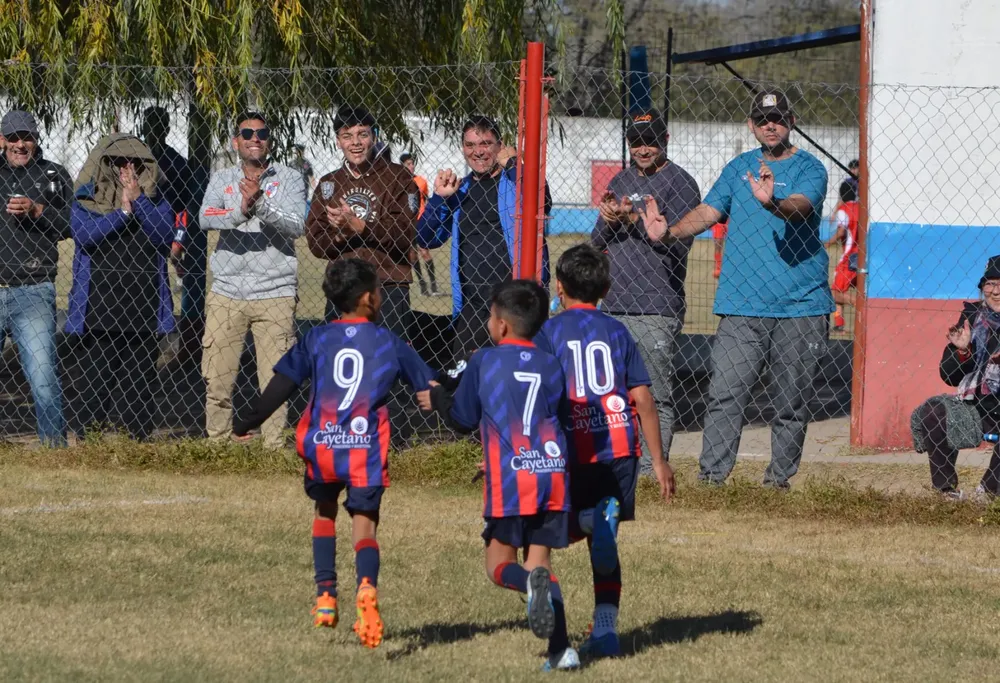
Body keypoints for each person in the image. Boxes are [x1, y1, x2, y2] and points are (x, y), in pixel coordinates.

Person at [233, 258, 435, 647]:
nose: (381, 295)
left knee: (324, 513)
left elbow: (281, 386)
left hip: (323, 445)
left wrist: (248, 421)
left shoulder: (316, 338)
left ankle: (325, 596)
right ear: (367, 300)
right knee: (365, 523)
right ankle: (366, 588)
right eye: (378, 289)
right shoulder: (389, 342)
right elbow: (428, 385)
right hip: (365, 451)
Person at [646, 89, 832, 488]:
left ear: (791, 122)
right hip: (741, 305)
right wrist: (670, 232)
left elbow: (800, 206)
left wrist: (772, 203)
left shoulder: (810, 168)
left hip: (800, 306)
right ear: (751, 125)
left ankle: (777, 483)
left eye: (778, 118)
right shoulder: (738, 168)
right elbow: (709, 211)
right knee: (725, 395)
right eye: (763, 119)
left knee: (790, 404)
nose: (770, 125)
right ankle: (712, 479)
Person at [429, 279, 579, 671]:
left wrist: (439, 398)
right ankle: (562, 650)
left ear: (502, 326)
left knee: (499, 567)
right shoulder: (551, 363)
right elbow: (558, 421)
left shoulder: (484, 361)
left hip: (513, 479)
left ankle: (529, 587)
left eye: (490, 317)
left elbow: (462, 420)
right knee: (540, 563)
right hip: (550, 472)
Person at [534, 244, 675, 659]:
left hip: (573, 450)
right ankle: (607, 630)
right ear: (607, 289)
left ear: (559, 288)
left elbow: (540, 393)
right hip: (618, 449)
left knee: (558, 530)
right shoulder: (618, 331)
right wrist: (660, 460)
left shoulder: (550, 333)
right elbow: (644, 399)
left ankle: (588, 521)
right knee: (605, 543)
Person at [592, 109, 700, 473]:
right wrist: (609, 221)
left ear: (665, 140)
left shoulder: (681, 183)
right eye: (636, 141)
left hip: (657, 306)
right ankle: (615, 463)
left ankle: (652, 470)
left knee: (654, 396)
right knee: (609, 395)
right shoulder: (620, 181)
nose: (643, 148)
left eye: (650, 140)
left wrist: (640, 222)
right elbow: (595, 244)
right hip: (614, 305)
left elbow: (679, 247)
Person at [306, 106, 419, 445]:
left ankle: (390, 439)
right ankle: (340, 433)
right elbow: (315, 240)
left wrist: (360, 225)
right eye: (347, 136)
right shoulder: (329, 185)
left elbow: (405, 232)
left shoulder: (398, 177)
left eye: (362, 135)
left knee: (387, 363)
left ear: (374, 136)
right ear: (338, 140)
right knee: (341, 364)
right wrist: (342, 234)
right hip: (343, 289)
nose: (355, 143)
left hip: (388, 284)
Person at [199, 111, 306, 447]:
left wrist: (260, 205)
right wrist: (241, 210)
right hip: (227, 292)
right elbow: (205, 217)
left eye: (261, 133)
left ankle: (273, 449)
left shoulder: (289, 178)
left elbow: (297, 224)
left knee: (275, 381)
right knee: (217, 379)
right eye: (247, 133)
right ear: (236, 142)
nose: (254, 138)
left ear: (269, 141)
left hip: (275, 292)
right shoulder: (221, 178)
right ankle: (217, 445)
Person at [417, 116, 551, 377]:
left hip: (517, 308)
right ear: (462, 148)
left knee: (517, 384)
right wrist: (438, 200)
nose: (478, 151)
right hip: (472, 309)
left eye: (486, 143)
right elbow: (425, 238)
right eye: (470, 144)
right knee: (467, 385)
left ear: (500, 146)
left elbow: (541, 201)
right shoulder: (461, 190)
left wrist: (514, 164)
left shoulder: (516, 181)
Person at [67, 134, 175, 440]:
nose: (127, 169)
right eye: (118, 162)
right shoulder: (87, 197)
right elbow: (85, 235)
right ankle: (90, 442)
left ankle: (136, 444)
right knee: (95, 383)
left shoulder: (156, 199)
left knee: (139, 386)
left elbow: (163, 237)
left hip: (144, 308)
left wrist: (139, 200)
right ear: (105, 164)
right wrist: (123, 213)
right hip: (99, 309)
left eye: (135, 163)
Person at [0, 110, 72, 446]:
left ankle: (53, 447)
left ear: (36, 139)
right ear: (2, 140)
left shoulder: (53, 175)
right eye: (12, 138)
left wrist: (37, 210)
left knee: (43, 377)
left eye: (25, 137)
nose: (19, 144)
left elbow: (74, 226)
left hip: (34, 289)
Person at [915, 257, 1000, 502]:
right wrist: (963, 352)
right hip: (978, 408)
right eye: (989, 284)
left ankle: (989, 493)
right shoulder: (972, 319)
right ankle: (946, 492)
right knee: (934, 411)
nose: (994, 291)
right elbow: (948, 375)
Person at [140, 106, 205, 368]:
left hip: (166, 229)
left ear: (166, 128)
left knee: (172, 282)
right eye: (148, 124)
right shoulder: (134, 155)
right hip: (136, 231)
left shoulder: (177, 163)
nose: (152, 129)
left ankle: (182, 346)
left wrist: (177, 238)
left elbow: (185, 204)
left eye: (158, 124)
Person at [400, 152, 439, 297]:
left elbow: (426, 200)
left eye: (412, 163)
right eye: (408, 164)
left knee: (425, 252)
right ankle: (423, 286)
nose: (411, 166)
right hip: (407, 223)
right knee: (412, 255)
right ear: (403, 165)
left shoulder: (421, 181)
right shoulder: (400, 182)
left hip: (421, 221)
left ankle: (434, 286)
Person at [825, 180, 860, 331]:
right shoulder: (862, 208)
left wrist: (826, 243)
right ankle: (839, 323)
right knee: (840, 289)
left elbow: (841, 232)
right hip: (863, 256)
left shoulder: (844, 209)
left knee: (833, 293)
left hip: (849, 257)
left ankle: (859, 304)